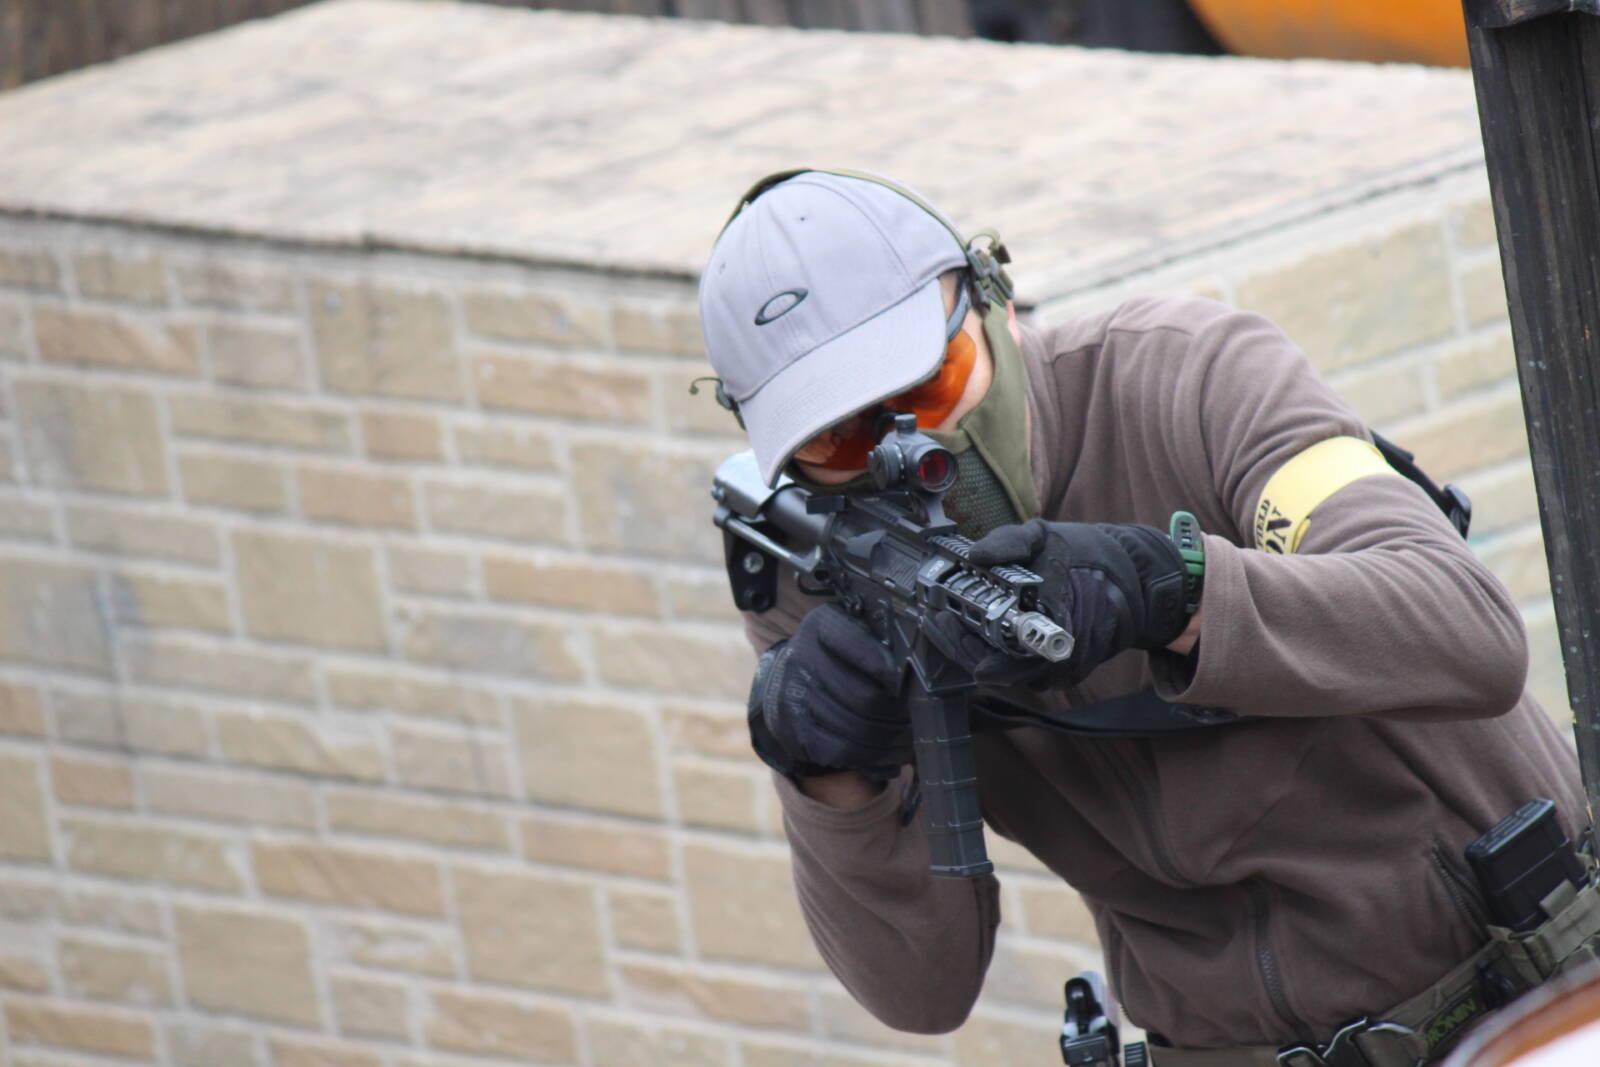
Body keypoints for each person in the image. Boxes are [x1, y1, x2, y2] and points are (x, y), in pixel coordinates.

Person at [695, 168, 1591, 1064]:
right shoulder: (816, 571)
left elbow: (1470, 628)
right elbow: (921, 990)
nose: (907, 449)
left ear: (997, 307)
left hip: (1527, 1001)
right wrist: (830, 779)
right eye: (838, 438)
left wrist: (1177, 594)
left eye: (930, 387)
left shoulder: (1185, 374)